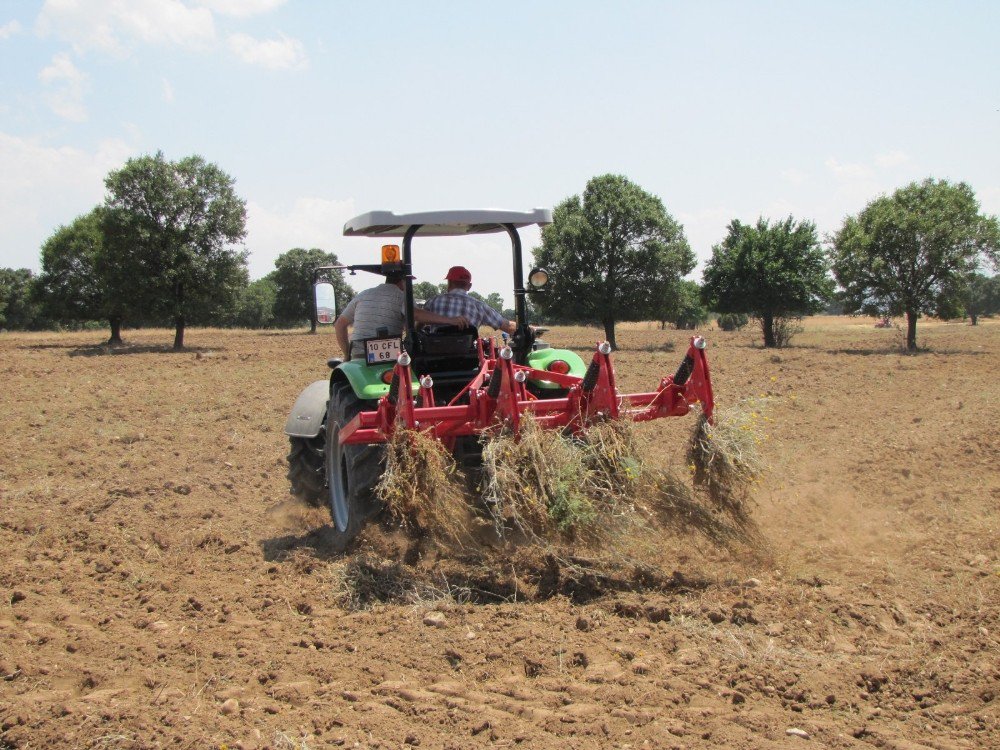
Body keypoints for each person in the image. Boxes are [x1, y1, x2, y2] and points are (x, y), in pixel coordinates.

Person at [334, 271, 468, 360]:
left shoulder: (363, 295)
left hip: (358, 354)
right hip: (388, 355)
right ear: (403, 281)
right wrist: (451, 320)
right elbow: (416, 315)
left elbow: (340, 324)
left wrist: (347, 355)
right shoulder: (401, 297)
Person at [424, 266, 517, 334]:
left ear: (449, 283)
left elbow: (418, 324)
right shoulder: (479, 306)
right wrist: (529, 329)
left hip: (434, 358)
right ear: (469, 286)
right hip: (468, 359)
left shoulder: (432, 302)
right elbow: (508, 327)